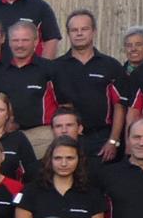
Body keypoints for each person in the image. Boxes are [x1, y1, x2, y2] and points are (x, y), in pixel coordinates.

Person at [53, 9, 127, 160]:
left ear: (93, 31)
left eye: (84, 29)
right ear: (68, 33)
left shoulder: (111, 66)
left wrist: (113, 140)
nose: (79, 33)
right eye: (74, 30)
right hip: (66, 138)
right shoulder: (56, 67)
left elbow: (120, 106)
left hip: (101, 139)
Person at [0, 21, 59, 158]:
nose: (20, 45)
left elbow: (64, 105)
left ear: (36, 41)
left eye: (25, 40)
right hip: (5, 135)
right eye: (15, 40)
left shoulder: (50, 69)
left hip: (41, 135)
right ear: (9, 42)